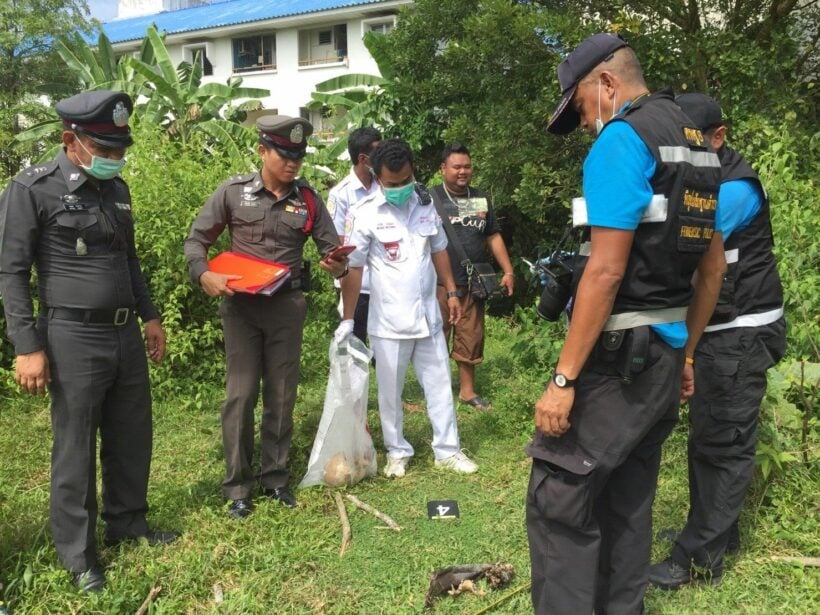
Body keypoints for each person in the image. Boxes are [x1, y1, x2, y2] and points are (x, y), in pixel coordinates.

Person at [526, 34, 727, 614]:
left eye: (585, 108)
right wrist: (686, 354)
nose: (589, 123)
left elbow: (606, 272)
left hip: (618, 360)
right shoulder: (695, 141)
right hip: (663, 359)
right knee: (628, 501)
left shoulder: (623, 140)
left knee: (560, 497)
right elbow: (711, 270)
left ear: (607, 84)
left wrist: (564, 380)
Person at [0, 90, 177, 593]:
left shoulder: (117, 190)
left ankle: (128, 522)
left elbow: (130, 260)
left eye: (120, 150)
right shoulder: (32, 189)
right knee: (75, 446)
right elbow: (11, 272)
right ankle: (78, 555)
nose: (114, 159)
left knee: (131, 433)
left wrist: (150, 315)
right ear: (69, 141)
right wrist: (27, 346)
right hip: (71, 335)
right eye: (105, 149)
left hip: (124, 332)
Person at [648, 93, 787, 589]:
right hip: (719, 330)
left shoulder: (733, 189)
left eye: (692, 143)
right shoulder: (702, 180)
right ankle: (711, 531)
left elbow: (681, 245)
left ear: (718, 138)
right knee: (710, 435)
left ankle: (698, 559)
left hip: (741, 332)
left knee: (723, 442)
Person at [184, 115, 347, 519]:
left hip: (285, 309)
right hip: (241, 310)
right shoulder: (234, 193)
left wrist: (338, 267)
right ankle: (238, 486)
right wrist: (204, 273)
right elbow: (196, 241)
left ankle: (275, 478)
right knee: (240, 396)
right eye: (284, 154)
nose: (293, 163)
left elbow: (334, 252)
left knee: (281, 394)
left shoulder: (308, 199)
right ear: (262, 151)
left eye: (299, 156)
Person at [338, 138, 478, 478]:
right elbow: (353, 269)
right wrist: (346, 318)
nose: (401, 189)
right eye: (392, 184)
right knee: (390, 393)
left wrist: (453, 291)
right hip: (387, 322)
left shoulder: (426, 204)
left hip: (428, 316)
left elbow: (439, 248)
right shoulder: (364, 213)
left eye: (406, 181)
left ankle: (448, 450)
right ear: (377, 176)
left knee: (440, 385)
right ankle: (397, 452)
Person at [431, 143, 515, 411]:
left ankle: (467, 392)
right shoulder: (430, 199)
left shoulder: (480, 199)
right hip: (439, 284)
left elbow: (492, 235)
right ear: (443, 168)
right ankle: (435, 392)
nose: (462, 171)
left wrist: (508, 270)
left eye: (467, 166)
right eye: (456, 167)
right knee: (436, 336)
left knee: (471, 336)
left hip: (474, 283)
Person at [327, 126, 382, 343]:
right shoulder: (341, 194)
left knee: (385, 348)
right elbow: (338, 242)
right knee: (355, 346)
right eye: (378, 151)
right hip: (356, 285)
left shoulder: (386, 186)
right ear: (363, 158)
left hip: (386, 282)